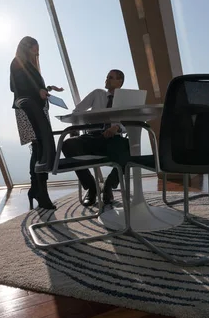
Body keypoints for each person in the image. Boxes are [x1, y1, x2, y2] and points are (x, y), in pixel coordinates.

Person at [61, 70, 130, 206]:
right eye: (107, 77)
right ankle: (92, 187)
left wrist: (117, 127)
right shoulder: (97, 94)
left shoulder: (125, 100)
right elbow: (77, 111)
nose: (107, 79)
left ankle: (109, 186)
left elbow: (131, 122)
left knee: (130, 148)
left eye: (111, 78)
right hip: (92, 137)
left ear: (120, 82)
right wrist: (76, 126)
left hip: (113, 139)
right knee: (68, 145)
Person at [10, 36, 63, 210]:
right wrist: (38, 90)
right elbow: (16, 86)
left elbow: (31, 86)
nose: (38, 52)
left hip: (38, 109)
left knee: (39, 148)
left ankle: (36, 189)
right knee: (40, 148)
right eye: (35, 48)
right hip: (27, 110)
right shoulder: (17, 62)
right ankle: (40, 191)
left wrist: (47, 89)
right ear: (28, 47)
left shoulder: (32, 66)